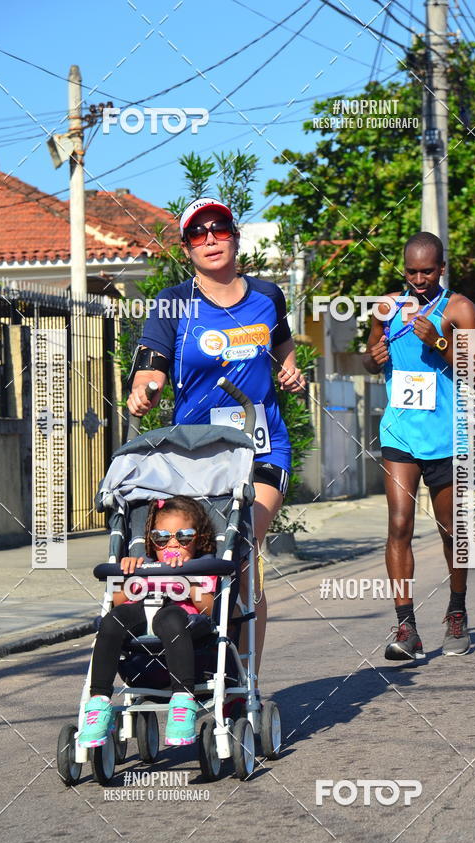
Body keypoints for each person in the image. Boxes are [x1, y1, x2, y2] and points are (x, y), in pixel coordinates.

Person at [126, 197, 306, 679]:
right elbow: (149, 367)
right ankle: (198, 661)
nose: (210, 239)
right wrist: (144, 390)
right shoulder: (171, 302)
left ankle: (243, 678)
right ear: (186, 247)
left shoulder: (268, 295)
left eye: (219, 229)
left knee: (241, 551)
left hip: (262, 449)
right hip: (196, 453)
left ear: (235, 236)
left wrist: (291, 374)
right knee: (196, 559)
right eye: (198, 233)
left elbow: (284, 350)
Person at [364, 231, 475, 660]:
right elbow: (370, 352)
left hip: (448, 436)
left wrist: (440, 342)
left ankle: (457, 612)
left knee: (452, 531)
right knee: (399, 525)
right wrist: (371, 357)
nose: (418, 279)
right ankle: (406, 627)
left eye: (427, 271)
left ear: (441, 269)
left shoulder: (460, 308)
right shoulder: (387, 306)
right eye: (411, 271)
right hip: (399, 434)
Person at [78, 496, 218, 749]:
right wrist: (128, 574)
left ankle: (183, 701)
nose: (172, 544)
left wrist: (187, 579)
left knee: (172, 619)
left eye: (184, 537)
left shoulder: (202, 566)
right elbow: (119, 601)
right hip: (139, 613)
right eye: (162, 538)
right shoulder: (144, 565)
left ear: (199, 539)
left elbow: (209, 608)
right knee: (111, 622)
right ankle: (98, 701)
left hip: (179, 613)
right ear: (151, 541)